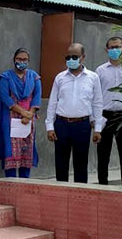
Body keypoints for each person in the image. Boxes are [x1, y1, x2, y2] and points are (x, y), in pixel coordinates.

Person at [45, 43, 104, 183]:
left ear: (82, 57)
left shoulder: (93, 77)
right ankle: (61, 195)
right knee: (60, 164)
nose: (71, 59)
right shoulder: (60, 77)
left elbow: (97, 103)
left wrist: (98, 129)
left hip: (82, 125)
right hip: (62, 124)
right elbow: (53, 102)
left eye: (75, 56)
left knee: (81, 164)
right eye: (68, 57)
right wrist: (49, 126)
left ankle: (80, 196)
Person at [96, 37, 122, 187]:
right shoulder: (100, 70)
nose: (115, 50)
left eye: (118, 47)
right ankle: (103, 186)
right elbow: (96, 95)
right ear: (106, 49)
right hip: (105, 115)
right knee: (103, 154)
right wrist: (96, 119)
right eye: (112, 47)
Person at [0, 48, 42, 178]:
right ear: (14, 60)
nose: (21, 62)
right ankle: (10, 183)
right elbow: (5, 97)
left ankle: (25, 182)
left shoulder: (35, 77)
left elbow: (37, 96)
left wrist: (30, 114)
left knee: (27, 150)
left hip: (28, 120)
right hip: (10, 120)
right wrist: (23, 112)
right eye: (19, 59)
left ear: (28, 61)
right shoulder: (5, 77)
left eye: (24, 59)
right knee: (10, 151)